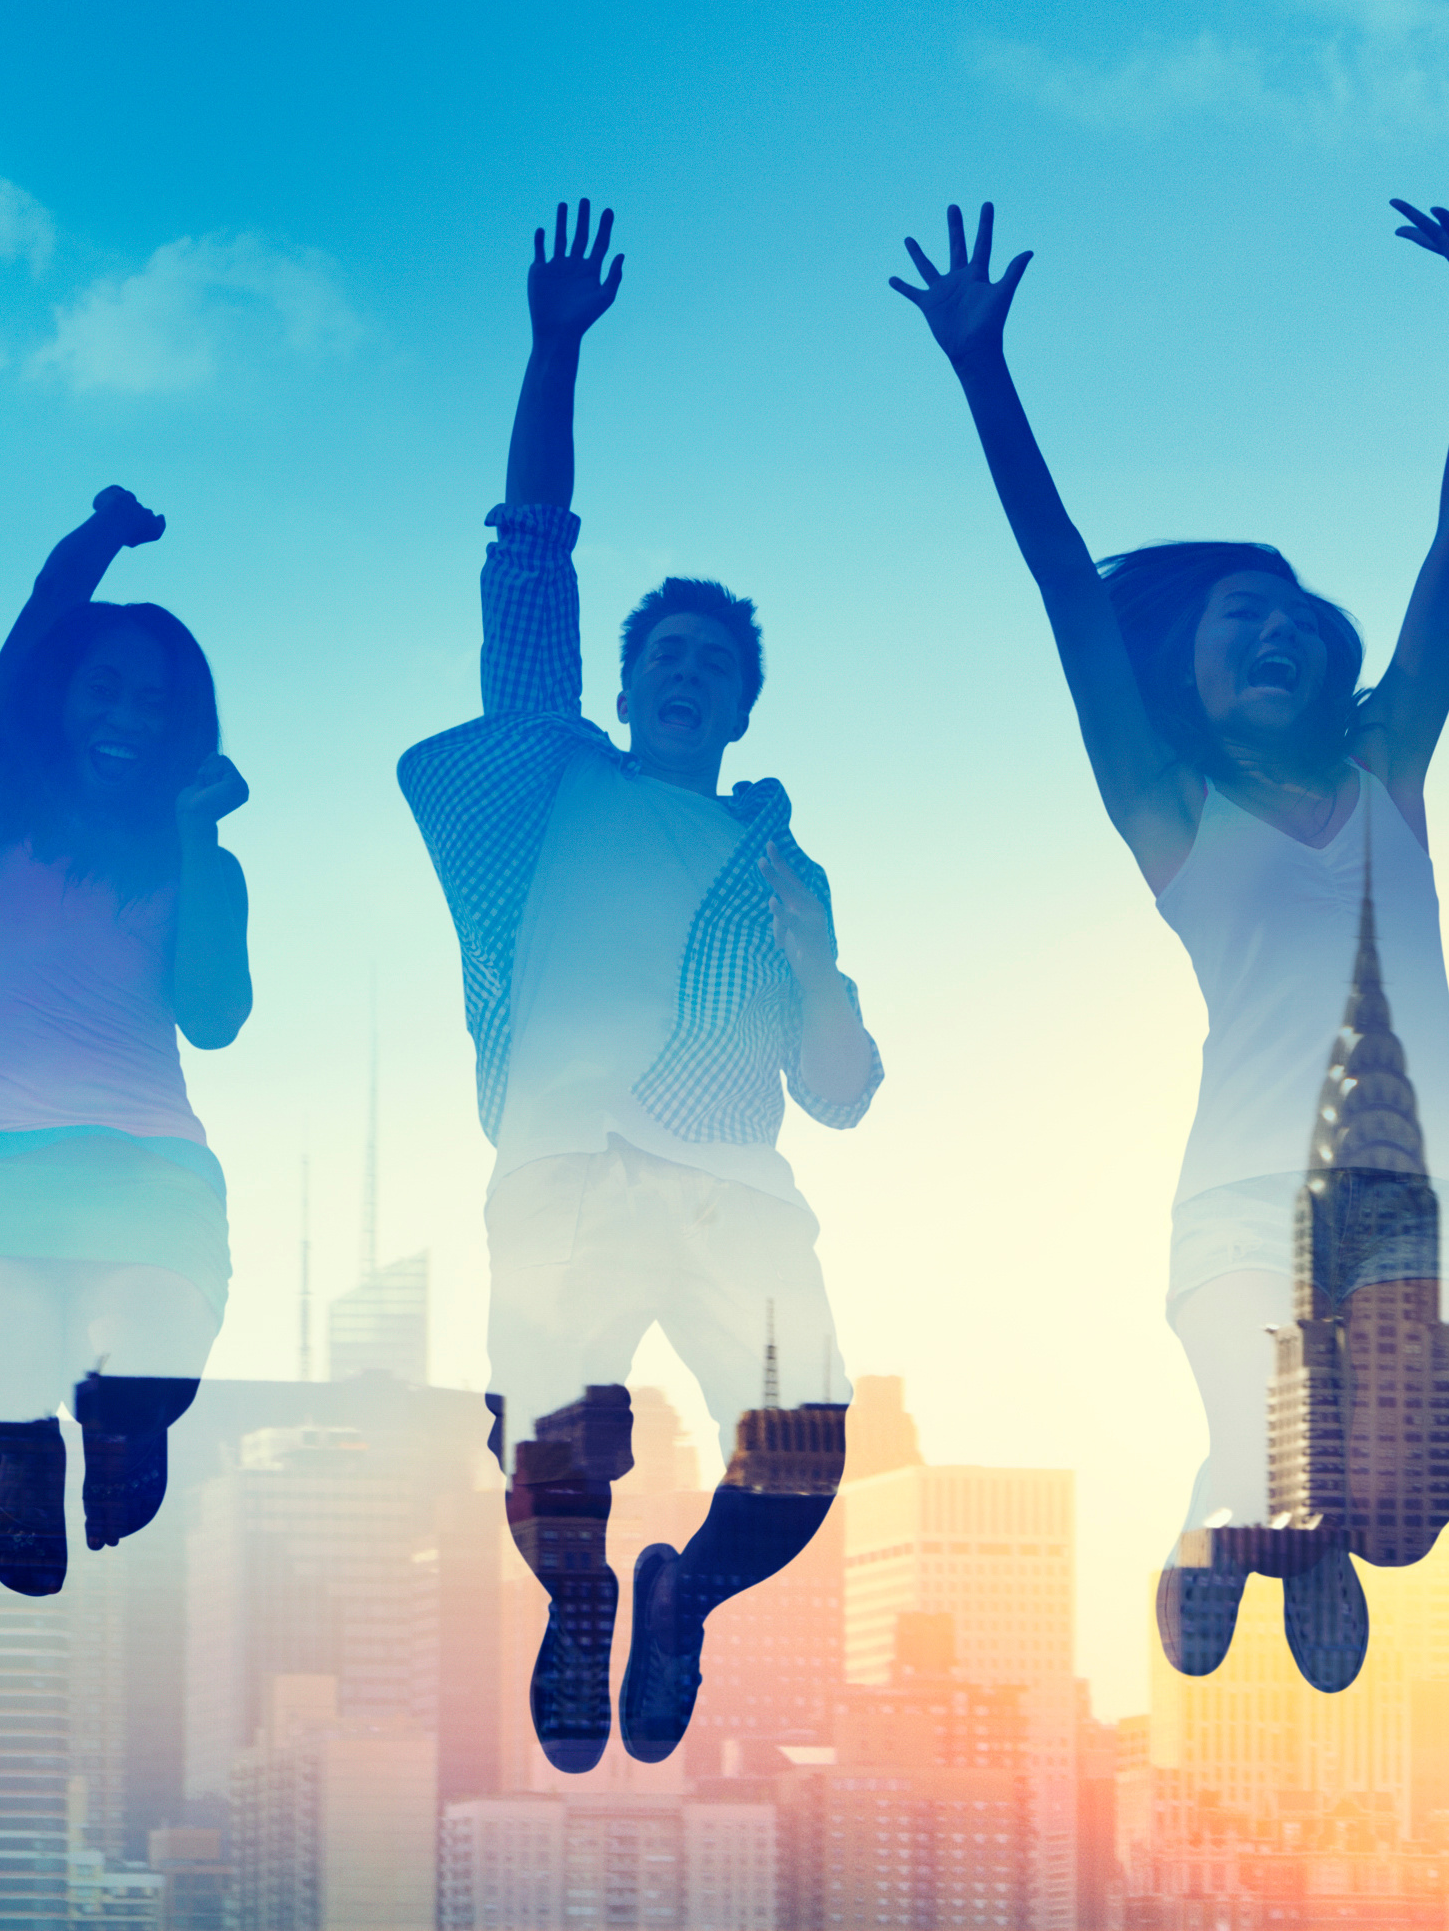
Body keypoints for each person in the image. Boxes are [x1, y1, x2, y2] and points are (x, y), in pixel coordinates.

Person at [894, 198, 1449, 1695]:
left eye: (1292, 610)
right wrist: (982, 367)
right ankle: (1231, 1530)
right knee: (1258, 1439)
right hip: (1246, 1197)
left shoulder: (1387, 775)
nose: (1275, 628)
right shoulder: (1168, 811)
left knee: (1410, 1521)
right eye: (1238, 617)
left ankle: (1299, 1538)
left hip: (1421, 1203)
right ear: (1185, 671)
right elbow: (1062, 589)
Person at [399, 202, 884, 1774]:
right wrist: (553, 351)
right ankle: (582, 1594)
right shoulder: (554, 785)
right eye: (659, 653)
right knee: (552, 1452)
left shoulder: (776, 866)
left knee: (803, 1456)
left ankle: (682, 1589)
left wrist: (811, 950)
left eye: (711, 661)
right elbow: (528, 566)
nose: (682, 670)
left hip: (734, 1182)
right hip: (558, 1166)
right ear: (623, 684)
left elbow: (846, 1088)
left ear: (743, 700)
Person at [0, 486, 253, 1600]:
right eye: (104, 688)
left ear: (181, 726)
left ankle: (117, 1424)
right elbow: (41, 619)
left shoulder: (203, 856)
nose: (127, 715)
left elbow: (215, 1016)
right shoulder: (3, 801)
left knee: (133, 1362)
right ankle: (24, 1447)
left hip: (149, 1172)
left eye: (153, 701)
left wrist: (197, 841)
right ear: (61, 702)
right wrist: (99, 538)